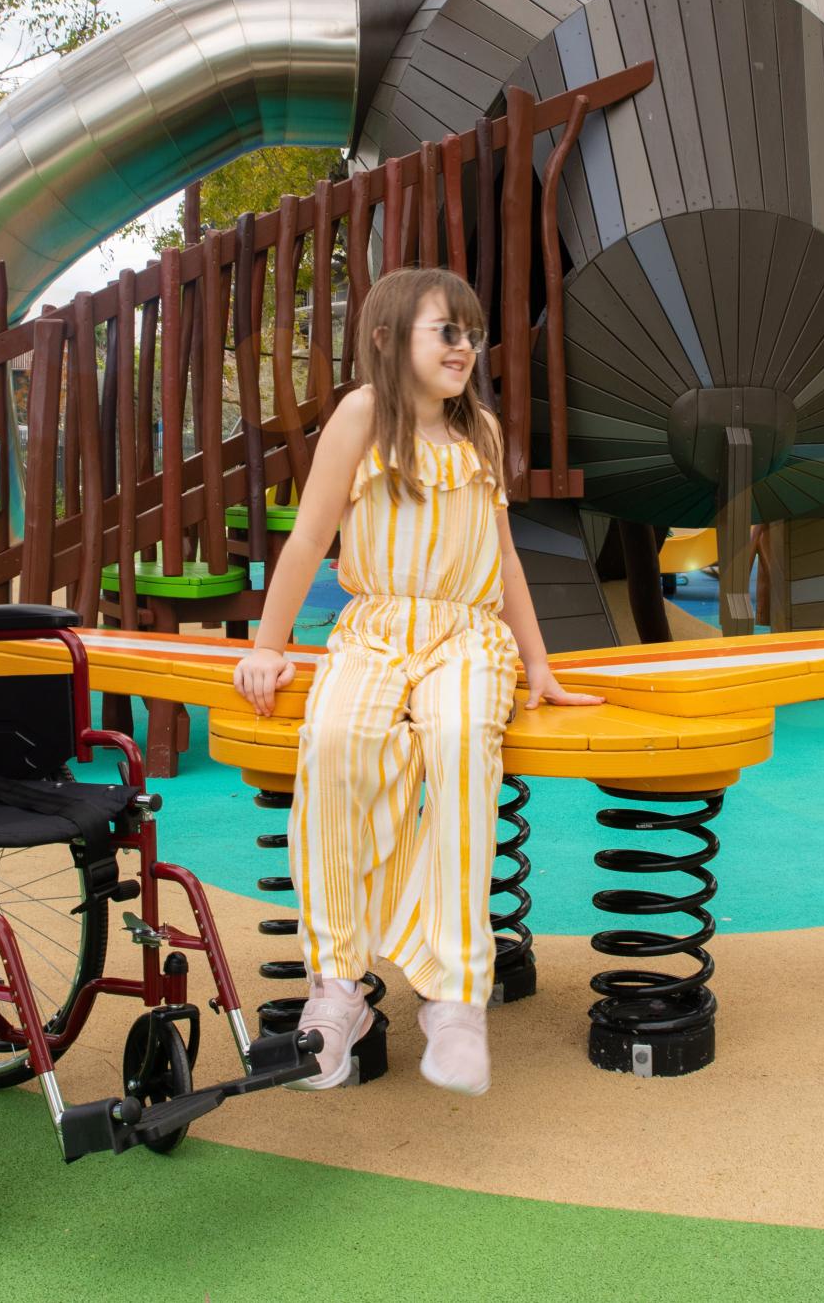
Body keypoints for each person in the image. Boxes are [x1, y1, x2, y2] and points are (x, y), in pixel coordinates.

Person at [233, 266, 601, 1095]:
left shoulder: (483, 433)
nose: (465, 346)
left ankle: (454, 995)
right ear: (388, 339)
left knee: (461, 740)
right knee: (336, 742)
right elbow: (309, 538)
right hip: (374, 628)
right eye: (446, 330)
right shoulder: (364, 417)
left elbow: (505, 561)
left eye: (470, 332)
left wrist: (537, 663)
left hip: (466, 637)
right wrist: (268, 641)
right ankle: (338, 988)